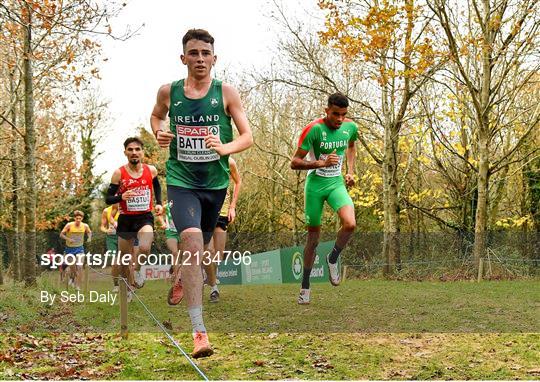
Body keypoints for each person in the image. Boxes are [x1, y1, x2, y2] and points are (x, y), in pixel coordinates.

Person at [150, 28, 253, 358]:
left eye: (205, 53)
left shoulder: (226, 93)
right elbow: (156, 117)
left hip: (215, 186)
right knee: (193, 243)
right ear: (183, 58)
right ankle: (199, 332)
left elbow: (247, 136)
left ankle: (182, 272)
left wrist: (225, 147)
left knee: (204, 247)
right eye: (193, 53)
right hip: (182, 182)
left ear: (214, 58)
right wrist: (159, 132)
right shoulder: (169, 92)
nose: (199, 59)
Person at [290, 92, 357, 305]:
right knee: (313, 240)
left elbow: (352, 146)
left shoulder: (350, 127)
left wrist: (350, 171)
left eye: (343, 115)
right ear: (326, 110)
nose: (339, 119)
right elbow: (294, 162)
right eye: (335, 114)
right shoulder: (314, 130)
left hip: (336, 183)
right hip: (315, 186)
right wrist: (319, 163)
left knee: (350, 224)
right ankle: (305, 286)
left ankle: (333, 257)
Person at [105, 137, 163, 301]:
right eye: (130, 150)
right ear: (125, 152)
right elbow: (108, 199)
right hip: (126, 219)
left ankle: (137, 270)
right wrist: (121, 196)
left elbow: (156, 186)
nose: (134, 152)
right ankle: (128, 289)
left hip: (144, 217)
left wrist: (158, 203)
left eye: (137, 149)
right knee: (124, 261)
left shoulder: (150, 170)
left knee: (144, 247)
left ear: (142, 152)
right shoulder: (119, 173)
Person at [204, 156, 241, 303]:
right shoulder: (200, 160)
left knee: (218, 254)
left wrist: (232, 206)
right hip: (205, 211)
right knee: (209, 251)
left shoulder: (230, 162)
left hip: (223, 211)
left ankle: (210, 275)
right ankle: (214, 287)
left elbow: (238, 182)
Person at [59, 210, 92, 290]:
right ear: (74, 218)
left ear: (82, 219)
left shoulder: (85, 226)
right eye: (77, 218)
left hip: (79, 249)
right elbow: (61, 234)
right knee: (73, 268)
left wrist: (89, 238)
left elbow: (89, 232)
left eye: (80, 218)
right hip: (69, 249)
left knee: (80, 266)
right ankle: (72, 278)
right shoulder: (69, 225)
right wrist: (68, 239)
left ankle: (78, 286)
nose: (78, 220)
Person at [100, 204, 120, 293]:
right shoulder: (106, 211)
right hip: (111, 239)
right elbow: (102, 226)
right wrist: (106, 230)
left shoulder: (126, 208)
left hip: (123, 237)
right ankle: (116, 284)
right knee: (115, 262)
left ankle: (129, 284)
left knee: (126, 261)